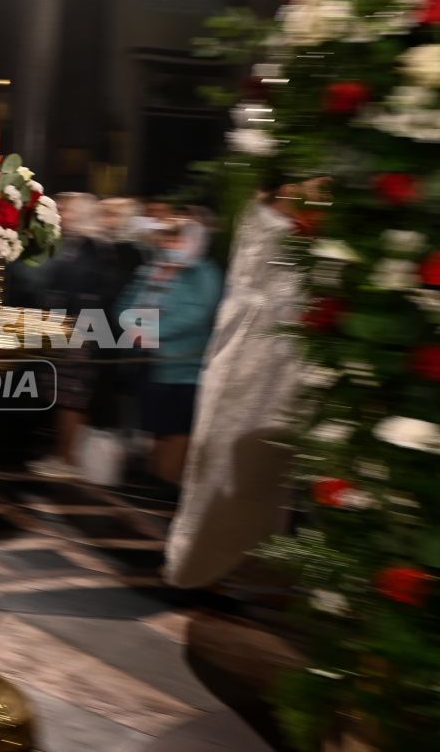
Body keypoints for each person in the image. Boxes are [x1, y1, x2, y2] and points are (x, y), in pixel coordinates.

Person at [163, 178, 317, 588]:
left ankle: (264, 557)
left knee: (269, 469)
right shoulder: (264, 226)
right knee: (226, 459)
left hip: (286, 360)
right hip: (249, 359)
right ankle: (213, 559)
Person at [31, 195, 143, 480]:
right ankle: (61, 454)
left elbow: (94, 293)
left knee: (72, 399)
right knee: (62, 397)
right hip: (65, 329)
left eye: (67, 210)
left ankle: (68, 458)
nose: (63, 214)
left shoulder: (96, 249)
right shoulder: (73, 245)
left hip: (81, 332)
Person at [120, 217, 222, 487]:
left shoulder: (204, 273)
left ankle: (169, 480)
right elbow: (127, 301)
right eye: (168, 239)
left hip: (184, 364)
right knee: (156, 424)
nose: (171, 245)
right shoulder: (153, 269)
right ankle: (155, 475)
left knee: (177, 427)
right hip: (149, 360)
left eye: (178, 239)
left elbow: (198, 313)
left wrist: (153, 332)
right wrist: (132, 328)